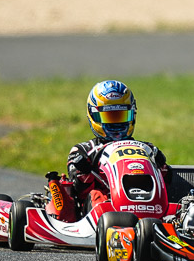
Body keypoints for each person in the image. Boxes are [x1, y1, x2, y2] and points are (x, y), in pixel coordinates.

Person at [67, 79, 167, 212]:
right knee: (95, 196)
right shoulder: (83, 151)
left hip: (149, 204)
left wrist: (162, 165)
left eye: (121, 116)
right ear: (93, 116)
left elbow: (169, 182)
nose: (116, 124)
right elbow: (79, 191)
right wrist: (85, 171)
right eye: (109, 117)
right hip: (104, 208)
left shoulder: (147, 149)